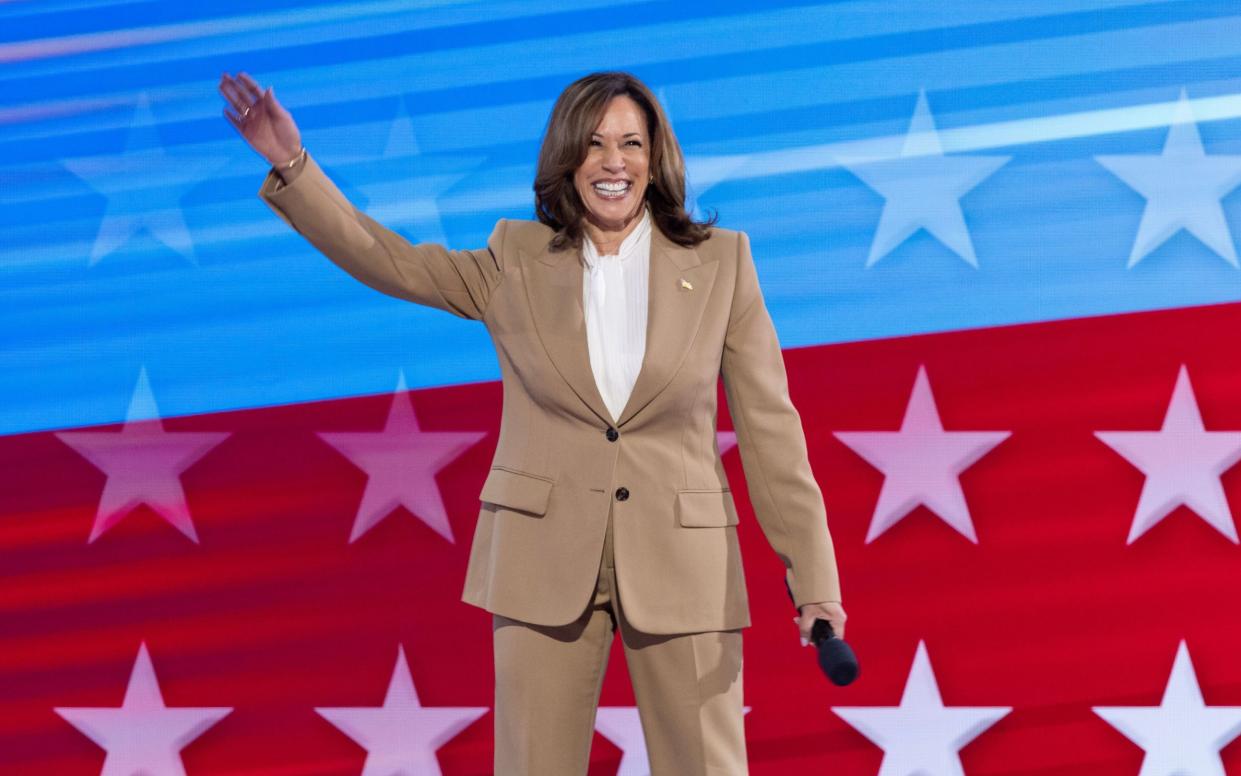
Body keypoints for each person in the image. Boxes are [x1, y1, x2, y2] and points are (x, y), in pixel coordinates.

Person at [218, 69, 846, 776]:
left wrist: (814, 581)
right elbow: (385, 260)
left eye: (631, 144)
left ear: (655, 157)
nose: (614, 162)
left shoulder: (721, 262)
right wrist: (294, 167)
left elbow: (771, 433)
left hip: (684, 565)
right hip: (542, 561)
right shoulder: (513, 261)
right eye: (595, 143)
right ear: (567, 159)